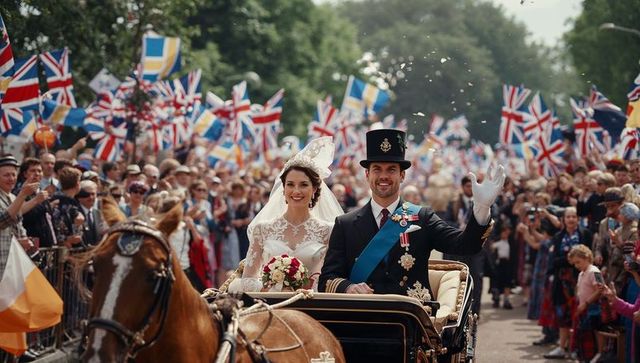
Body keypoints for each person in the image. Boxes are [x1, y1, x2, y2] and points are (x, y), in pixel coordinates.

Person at [319, 129, 502, 301]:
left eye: (391, 169)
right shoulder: (345, 224)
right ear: (367, 174)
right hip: (362, 319)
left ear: (402, 175)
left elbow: (465, 245)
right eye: (377, 169)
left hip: (411, 321)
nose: (384, 176)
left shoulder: (423, 218)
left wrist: (482, 209)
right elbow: (327, 278)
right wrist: (348, 287)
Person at [229, 137, 343, 292]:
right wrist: (276, 288)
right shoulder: (262, 229)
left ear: (314, 189)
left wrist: (306, 289)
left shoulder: (328, 231)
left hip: (311, 305)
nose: (296, 191)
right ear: (283, 188)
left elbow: (329, 279)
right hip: (270, 306)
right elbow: (248, 280)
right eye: (290, 184)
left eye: (303, 185)